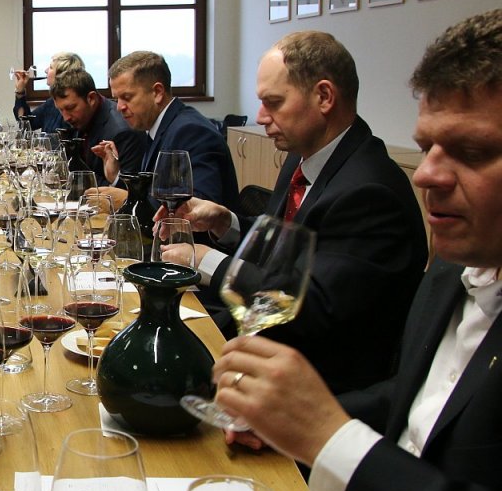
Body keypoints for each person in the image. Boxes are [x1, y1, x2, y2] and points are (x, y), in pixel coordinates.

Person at [212, 10, 502, 491]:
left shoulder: (376, 192)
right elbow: (416, 400)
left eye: (470, 152)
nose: (426, 175)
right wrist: (292, 422)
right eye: (425, 147)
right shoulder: (456, 267)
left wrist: (331, 438)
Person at [161, 31, 427, 395]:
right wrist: (227, 222)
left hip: (316, 386)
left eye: (273, 103)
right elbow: (288, 250)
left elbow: (307, 307)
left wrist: (206, 261)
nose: (261, 117)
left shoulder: (369, 192)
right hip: (267, 349)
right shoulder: (305, 157)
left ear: (324, 97)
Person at [103, 50, 239, 209]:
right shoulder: (156, 127)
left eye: (127, 97)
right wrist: (116, 177)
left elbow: (198, 208)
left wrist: (127, 199)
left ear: (157, 92)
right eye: (116, 99)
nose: (119, 107)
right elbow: (149, 193)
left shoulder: (191, 132)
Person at [51, 66, 146, 181]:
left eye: (70, 108)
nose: (66, 118)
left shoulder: (122, 132)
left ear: (91, 98)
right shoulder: (81, 118)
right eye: (60, 110)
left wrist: (78, 177)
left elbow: (126, 189)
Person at [12, 52, 78, 133]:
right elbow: (27, 123)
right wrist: (20, 91)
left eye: (51, 67)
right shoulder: (51, 103)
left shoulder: (74, 106)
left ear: (61, 74)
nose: (46, 71)